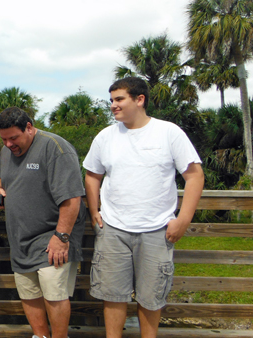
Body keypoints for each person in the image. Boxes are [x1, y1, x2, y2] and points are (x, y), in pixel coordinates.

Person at [83, 77, 204, 338]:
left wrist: (182, 220)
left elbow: (194, 175)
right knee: (112, 295)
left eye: (119, 99)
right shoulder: (106, 136)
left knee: (151, 298)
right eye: (111, 100)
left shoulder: (169, 132)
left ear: (140, 100)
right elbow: (92, 175)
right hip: (113, 229)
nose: (113, 105)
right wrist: (94, 211)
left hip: (157, 230)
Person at [0, 107, 86, 338]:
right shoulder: (6, 151)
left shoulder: (55, 148)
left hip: (52, 237)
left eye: (13, 138)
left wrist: (61, 237)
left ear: (30, 127)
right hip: (20, 238)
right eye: (3, 139)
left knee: (54, 294)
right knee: (29, 293)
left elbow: (73, 198)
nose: (8, 144)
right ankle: (40, 336)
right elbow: (0, 174)